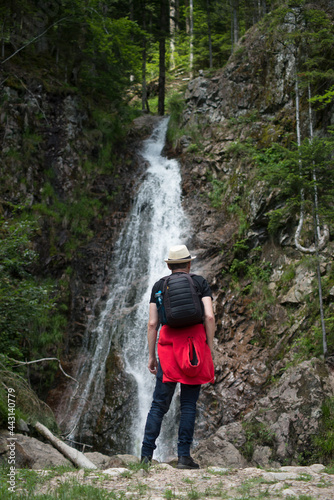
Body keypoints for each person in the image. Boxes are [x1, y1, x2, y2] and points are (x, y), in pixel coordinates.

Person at [141, 244, 215, 469]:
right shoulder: (200, 283)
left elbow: (153, 323)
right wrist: (208, 348)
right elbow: (209, 317)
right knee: (189, 404)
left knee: (158, 405)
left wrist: (152, 356)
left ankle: (145, 457)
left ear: (169, 266)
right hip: (194, 349)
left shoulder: (159, 286)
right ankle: (184, 456)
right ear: (189, 263)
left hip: (168, 349)